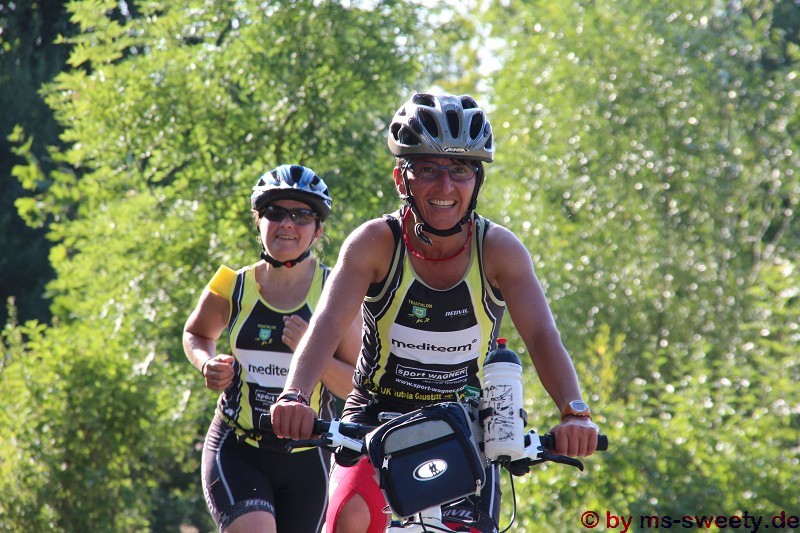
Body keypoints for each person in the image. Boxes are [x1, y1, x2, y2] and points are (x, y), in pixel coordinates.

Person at [270, 94, 600, 533]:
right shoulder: (375, 243)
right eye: (427, 169)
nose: (445, 186)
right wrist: (294, 395)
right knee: (352, 517)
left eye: (460, 169)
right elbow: (328, 324)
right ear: (401, 178)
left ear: (477, 181)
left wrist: (574, 412)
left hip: (466, 428)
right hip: (374, 421)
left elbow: (541, 336)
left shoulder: (499, 251)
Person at [183, 164, 361, 533]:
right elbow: (196, 333)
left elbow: (355, 386)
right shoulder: (230, 285)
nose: (287, 224)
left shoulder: (336, 295)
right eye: (275, 212)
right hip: (238, 447)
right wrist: (206, 363)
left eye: (302, 215)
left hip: (308, 458)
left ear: (318, 230)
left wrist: (312, 350)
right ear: (258, 220)